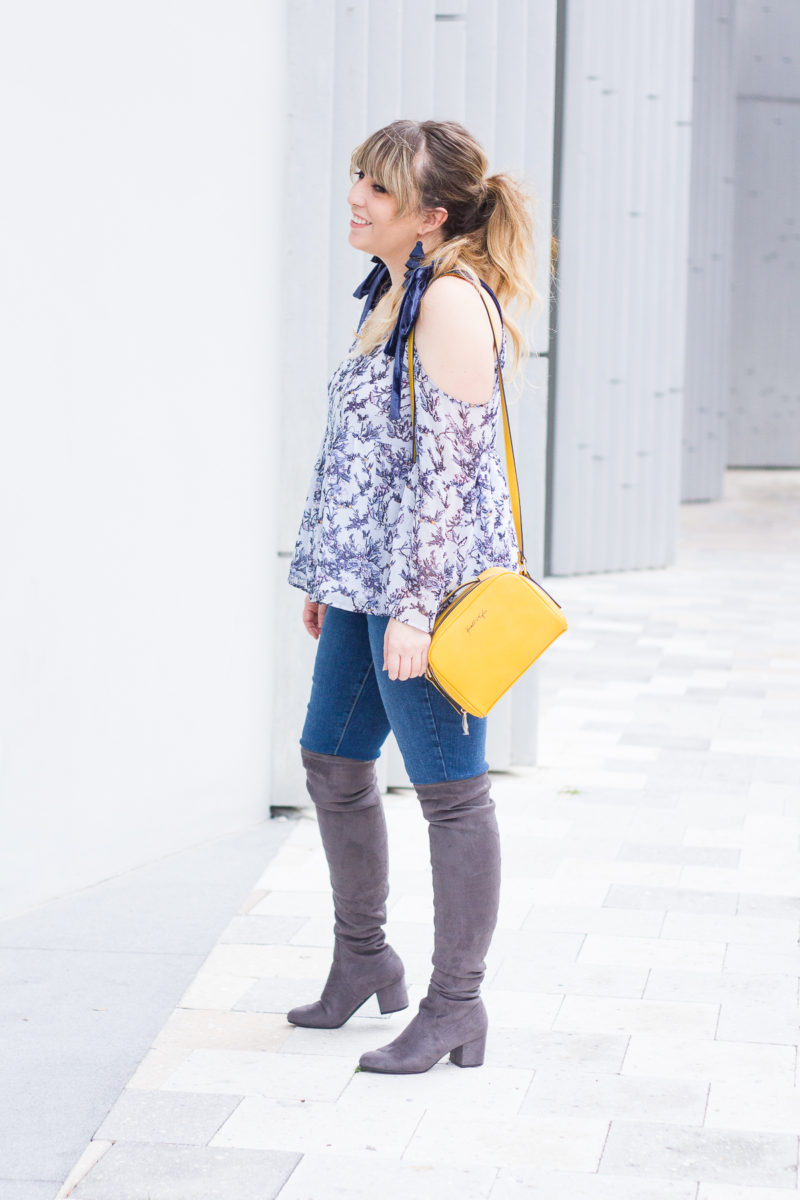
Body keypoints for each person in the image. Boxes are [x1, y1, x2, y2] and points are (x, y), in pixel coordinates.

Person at [287, 119, 536, 1075]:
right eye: (358, 175)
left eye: (379, 189)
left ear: (432, 214)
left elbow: (447, 478)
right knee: (332, 759)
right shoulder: (393, 288)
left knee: (452, 796)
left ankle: (455, 1008)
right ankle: (365, 960)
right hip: (365, 583)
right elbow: (361, 458)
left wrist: (418, 610)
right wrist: (329, 574)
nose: (356, 196)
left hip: (424, 595)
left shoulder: (453, 305)